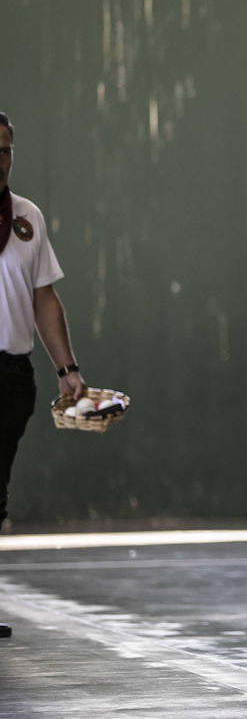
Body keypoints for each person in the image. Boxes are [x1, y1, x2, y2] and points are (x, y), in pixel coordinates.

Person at [0, 112, 88, 639]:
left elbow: (43, 299)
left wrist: (68, 369)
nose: (0, 159)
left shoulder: (26, 218)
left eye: (6, 149)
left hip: (9, 375)